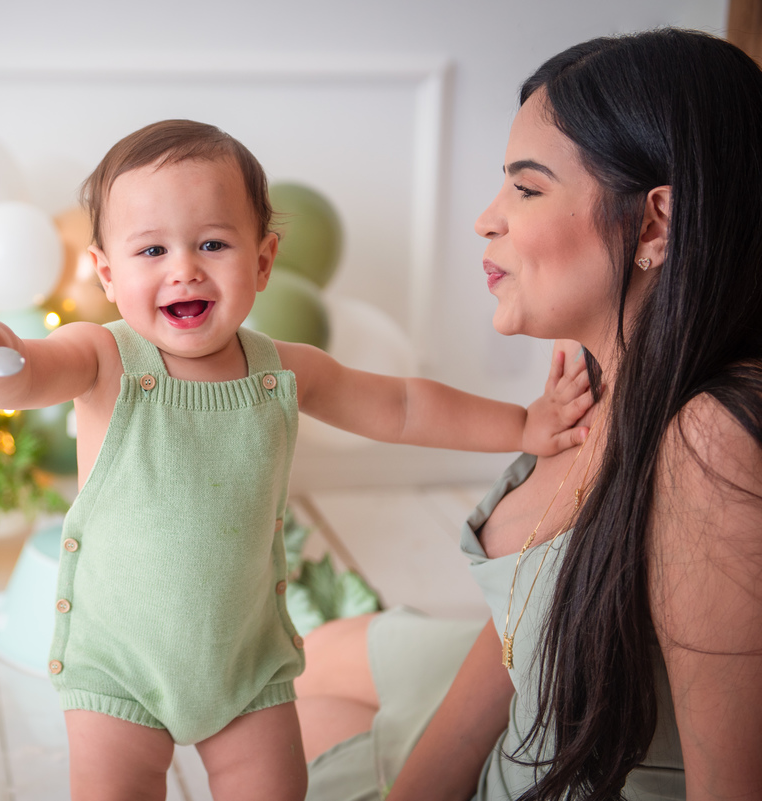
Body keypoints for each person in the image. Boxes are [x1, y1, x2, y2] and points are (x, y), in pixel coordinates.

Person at [0, 119, 590, 801]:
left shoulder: (283, 370)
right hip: (117, 664)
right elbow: (29, 374)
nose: (184, 268)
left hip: (246, 660)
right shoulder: (103, 356)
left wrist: (523, 424)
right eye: (151, 249)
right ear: (107, 273)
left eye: (213, 243)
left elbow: (401, 406)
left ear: (264, 259)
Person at [299, 28, 762, 801]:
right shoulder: (599, 375)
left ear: (655, 225)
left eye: (527, 189)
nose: (487, 219)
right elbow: (525, 615)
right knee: (309, 664)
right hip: (534, 695)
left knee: (294, 729)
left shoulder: (712, 443)